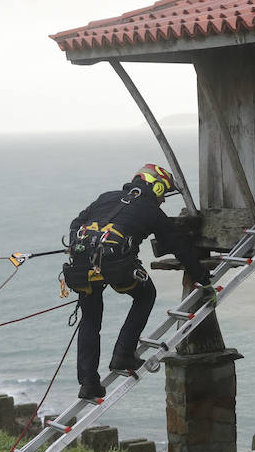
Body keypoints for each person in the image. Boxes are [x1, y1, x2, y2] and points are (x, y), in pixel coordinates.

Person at [62, 163, 210, 401]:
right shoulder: (151, 210)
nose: (162, 200)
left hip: (82, 265)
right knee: (145, 295)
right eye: (163, 194)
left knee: (90, 318)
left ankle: (88, 384)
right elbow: (178, 246)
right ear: (156, 186)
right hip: (118, 267)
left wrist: (80, 248)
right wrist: (203, 278)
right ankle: (123, 354)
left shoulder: (107, 197)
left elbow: (76, 223)